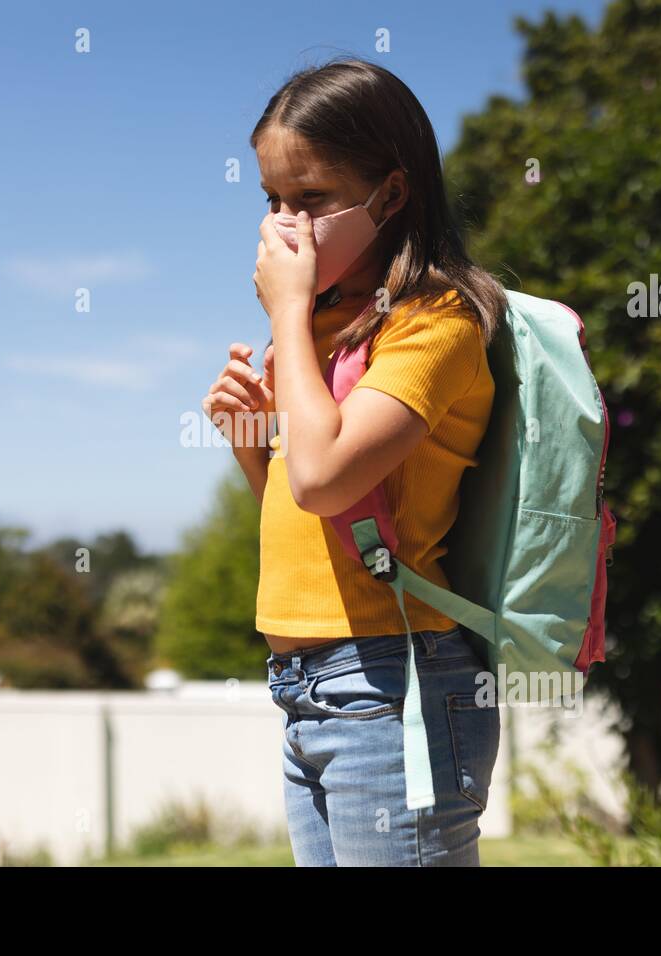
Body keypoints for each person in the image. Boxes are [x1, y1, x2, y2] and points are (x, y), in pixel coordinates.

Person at [202, 57, 508, 866]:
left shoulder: (437, 322)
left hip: (394, 683)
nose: (283, 226)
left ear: (393, 195)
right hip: (308, 692)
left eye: (311, 200)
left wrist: (290, 312)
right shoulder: (322, 334)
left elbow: (326, 474)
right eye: (271, 200)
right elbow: (313, 507)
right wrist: (249, 443)